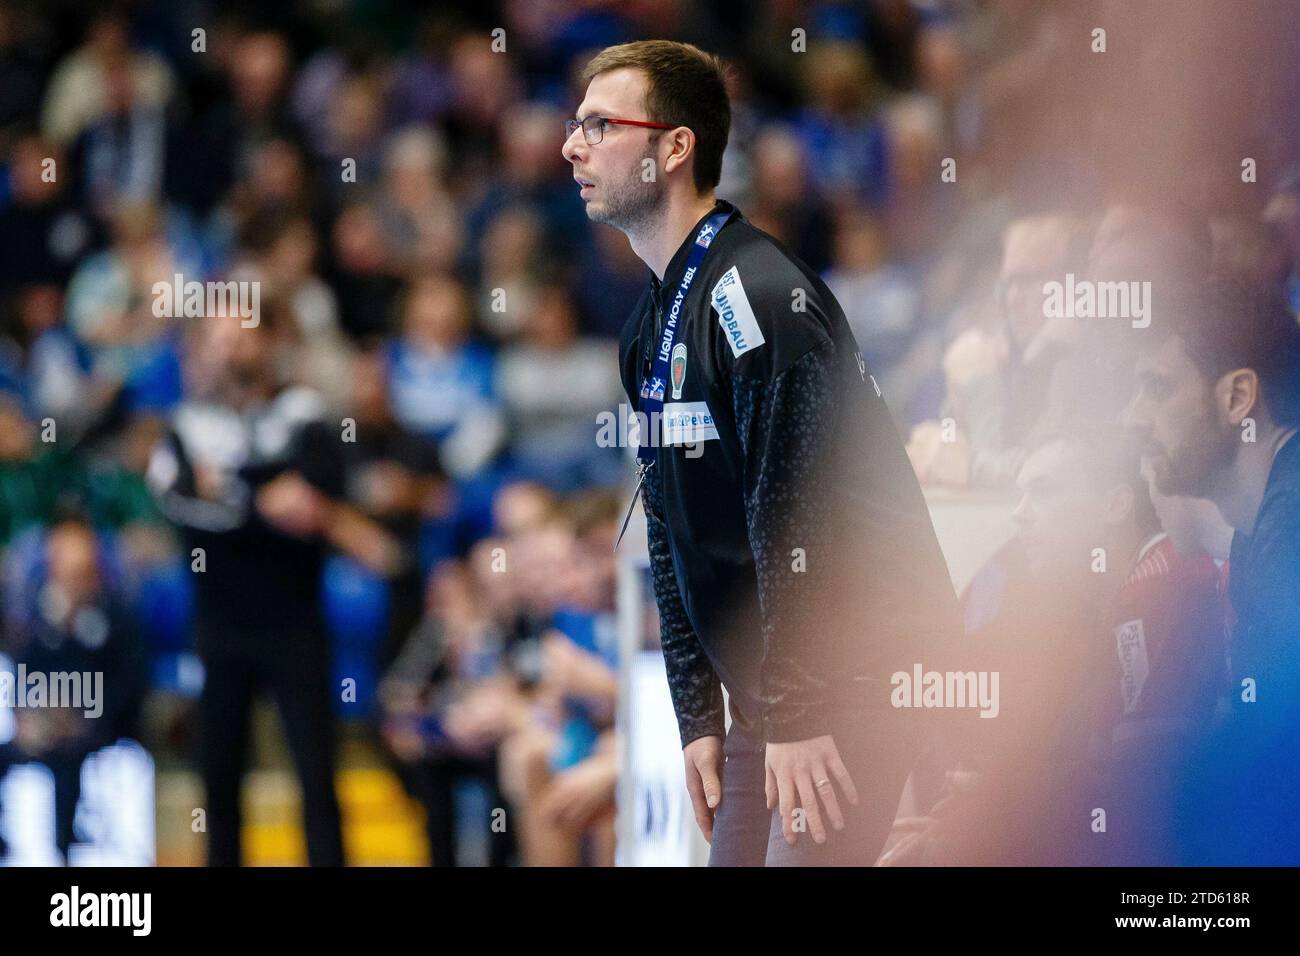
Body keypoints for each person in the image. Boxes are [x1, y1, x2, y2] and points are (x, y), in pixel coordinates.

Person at [563, 39, 961, 865]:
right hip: (776, 691)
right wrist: (698, 716)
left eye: (601, 124)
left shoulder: (760, 298)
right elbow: (669, 534)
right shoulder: (650, 330)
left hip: (850, 673)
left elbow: (795, 520)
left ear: (675, 147)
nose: (573, 145)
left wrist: (805, 710)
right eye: (576, 124)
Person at [1122, 277, 1300, 863]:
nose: (1133, 416)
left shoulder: (1290, 534)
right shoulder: (1263, 534)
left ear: (1237, 398)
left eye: (1154, 388)